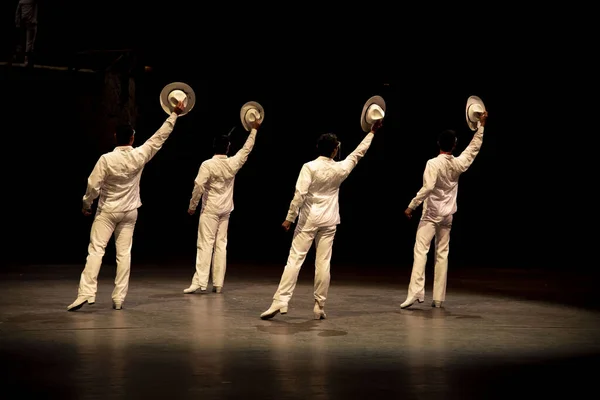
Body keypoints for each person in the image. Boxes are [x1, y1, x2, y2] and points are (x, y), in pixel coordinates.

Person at [67, 100, 186, 311]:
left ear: (115, 137)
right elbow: (160, 136)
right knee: (124, 255)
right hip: (130, 212)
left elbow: (92, 185)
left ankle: (86, 293)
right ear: (132, 138)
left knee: (96, 251)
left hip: (108, 210)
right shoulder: (139, 154)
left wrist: (87, 205)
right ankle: (119, 298)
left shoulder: (106, 159)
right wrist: (174, 114)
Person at [260, 119, 382, 320]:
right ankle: (319, 305)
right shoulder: (340, 168)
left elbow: (299, 194)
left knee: (295, 260)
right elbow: (358, 153)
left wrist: (289, 218)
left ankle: (281, 301)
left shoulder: (309, 167)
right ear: (335, 150)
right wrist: (371, 133)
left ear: (318, 148)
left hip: (309, 220)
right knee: (323, 263)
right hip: (329, 220)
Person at [400, 110, 488, 309]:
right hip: (447, 215)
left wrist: (411, 205)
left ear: (439, 144)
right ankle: (438, 298)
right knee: (442, 253)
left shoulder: (433, 163)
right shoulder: (457, 164)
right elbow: (473, 148)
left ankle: (415, 293)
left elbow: (428, 187)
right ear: (454, 145)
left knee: (421, 251)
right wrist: (481, 126)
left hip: (431, 215)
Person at [183, 119, 262, 294]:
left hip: (211, 209)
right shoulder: (232, 163)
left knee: (205, 244)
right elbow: (246, 149)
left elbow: (198, 186)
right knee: (220, 245)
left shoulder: (208, 165)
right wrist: (254, 130)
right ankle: (218, 283)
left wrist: (192, 206)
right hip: (225, 210)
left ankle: (200, 282)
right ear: (227, 148)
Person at [14, 0, 38, 67]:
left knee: (30, 42)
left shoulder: (22, 1)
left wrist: (17, 23)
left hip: (27, 23)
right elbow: (17, 12)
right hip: (28, 23)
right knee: (29, 42)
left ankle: (28, 60)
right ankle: (27, 60)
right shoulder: (27, 1)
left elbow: (17, 13)